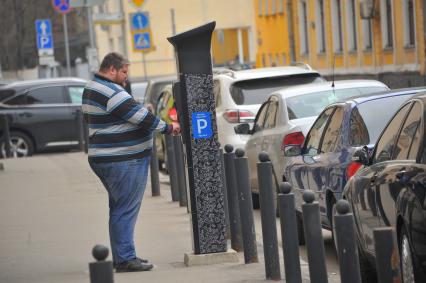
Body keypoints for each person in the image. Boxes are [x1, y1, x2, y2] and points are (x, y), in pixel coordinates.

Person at [82, 52, 179, 272]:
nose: (126, 77)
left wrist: (140, 111)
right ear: (112, 69)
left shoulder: (92, 87)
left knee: (118, 208)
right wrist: (169, 127)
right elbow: (141, 118)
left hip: (105, 157)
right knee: (125, 209)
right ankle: (125, 259)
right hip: (122, 159)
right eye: (124, 71)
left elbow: (120, 115)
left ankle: (124, 255)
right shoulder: (112, 91)